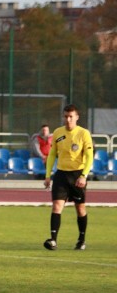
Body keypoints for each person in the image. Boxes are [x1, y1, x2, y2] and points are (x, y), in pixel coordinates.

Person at [43, 104, 93, 251]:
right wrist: (48, 175)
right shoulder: (58, 132)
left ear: (77, 117)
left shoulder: (84, 133)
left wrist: (84, 175)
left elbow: (90, 156)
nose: (68, 119)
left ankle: (81, 239)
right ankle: (53, 240)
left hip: (78, 175)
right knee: (57, 206)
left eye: (71, 116)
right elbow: (52, 154)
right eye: (66, 116)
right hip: (61, 175)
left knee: (80, 208)